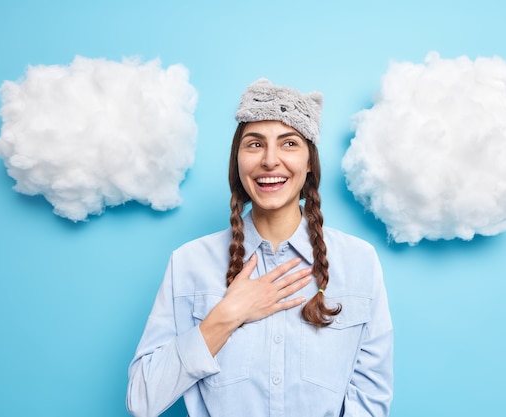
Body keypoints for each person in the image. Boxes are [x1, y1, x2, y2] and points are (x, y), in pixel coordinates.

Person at [126, 78, 393, 417]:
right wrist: (226, 315)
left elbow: (370, 400)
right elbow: (142, 399)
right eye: (254, 144)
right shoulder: (188, 263)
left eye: (289, 143)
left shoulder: (359, 262)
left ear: (310, 162)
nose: (270, 161)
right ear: (237, 161)